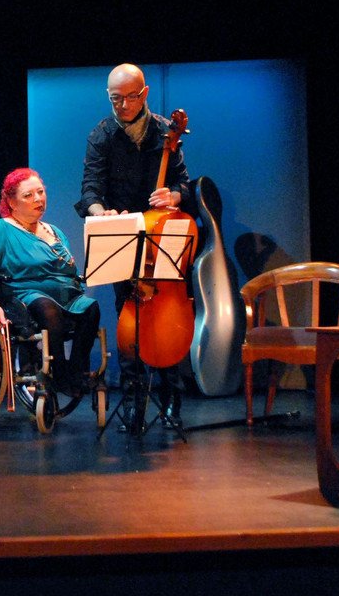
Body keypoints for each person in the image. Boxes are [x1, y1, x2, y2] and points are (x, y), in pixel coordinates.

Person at [76, 62, 192, 433]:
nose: (122, 105)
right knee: (128, 319)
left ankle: (173, 396)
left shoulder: (164, 132)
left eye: (129, 97)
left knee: (165, 318)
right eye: (114, 99)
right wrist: (101, 212)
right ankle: (134, 399)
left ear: (144, 94)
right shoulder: (102, 135)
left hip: (161, 237)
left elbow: (186, 188)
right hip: (125, 233)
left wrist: (174, 194)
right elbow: (89, 191)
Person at [0, 168, 100, 398]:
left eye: (40, 192)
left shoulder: (55, 231)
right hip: (25, 296)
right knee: (48, 309)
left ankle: (76, 371)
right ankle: (59, 375)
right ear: (11, 202)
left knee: (91, 309)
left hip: (66, 297)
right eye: (28, 195)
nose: (38, 199)